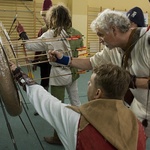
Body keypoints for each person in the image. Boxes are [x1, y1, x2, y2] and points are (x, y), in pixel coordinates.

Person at [48, 8, 150, 139]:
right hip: (141, 105)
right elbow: (91, 63)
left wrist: (132, 81)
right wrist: (63, 59)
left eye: (101, 34)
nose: (100, 40)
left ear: (114, 30)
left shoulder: (146, 41)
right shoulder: (112, 49)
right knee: (129, 140)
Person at [10, 62, 146, 150]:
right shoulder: (136, 123)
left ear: (98, 93)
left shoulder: (75, 120)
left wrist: (18, 74)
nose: (87, 84)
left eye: (90, 82)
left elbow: (44, 100)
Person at [16, 3, 83, 144]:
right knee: (76, 103)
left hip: (59, 75)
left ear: (53, 18)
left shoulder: (50, 34)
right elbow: (80, 54)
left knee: (57, 107)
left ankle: (58, 137)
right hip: (73, 72)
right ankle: (81, 132)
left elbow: (29, 44)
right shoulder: (77, 32)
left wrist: (22, 33)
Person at [32, 0, 52, 116]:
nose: (45, 18)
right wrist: (35, 61)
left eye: (47, 16)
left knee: (55, 85)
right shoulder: (43, 29)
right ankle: (42, 107)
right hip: (45, 62)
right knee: (44, 83)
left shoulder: (60, 29)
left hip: (56, 61)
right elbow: (38, 47)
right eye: (43, 16)